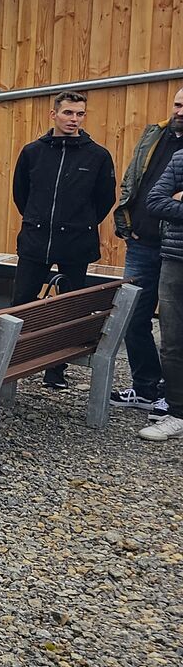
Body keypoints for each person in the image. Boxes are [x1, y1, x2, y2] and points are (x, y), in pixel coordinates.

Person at [10, 91, 116, 389]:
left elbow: (104, 199)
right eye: (68, 113)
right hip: (35, 239)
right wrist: (37, 220)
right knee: (22, 304)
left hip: (75, 244)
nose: (74, 119)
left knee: (69, 309)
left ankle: (55, 370)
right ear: (53, 114)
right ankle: (13, 363)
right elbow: (21, 194)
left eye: (80, 114)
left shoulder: (97, 155)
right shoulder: (33, 151)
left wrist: (79, 223)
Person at [111, 86, 183, 428]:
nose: (180, 111)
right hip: (141, 242)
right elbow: (135, 181)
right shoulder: (155, 134)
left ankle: (174, 396)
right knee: (134, 318)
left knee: (174, 329)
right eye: (178, 104)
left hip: (176, 249)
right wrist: (125, 222)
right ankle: (145, 387)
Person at [141, 140, 183, 442]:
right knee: (172, 341)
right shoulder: (181, 159)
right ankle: (177, 413)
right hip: (175, 262)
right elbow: (155, 201)